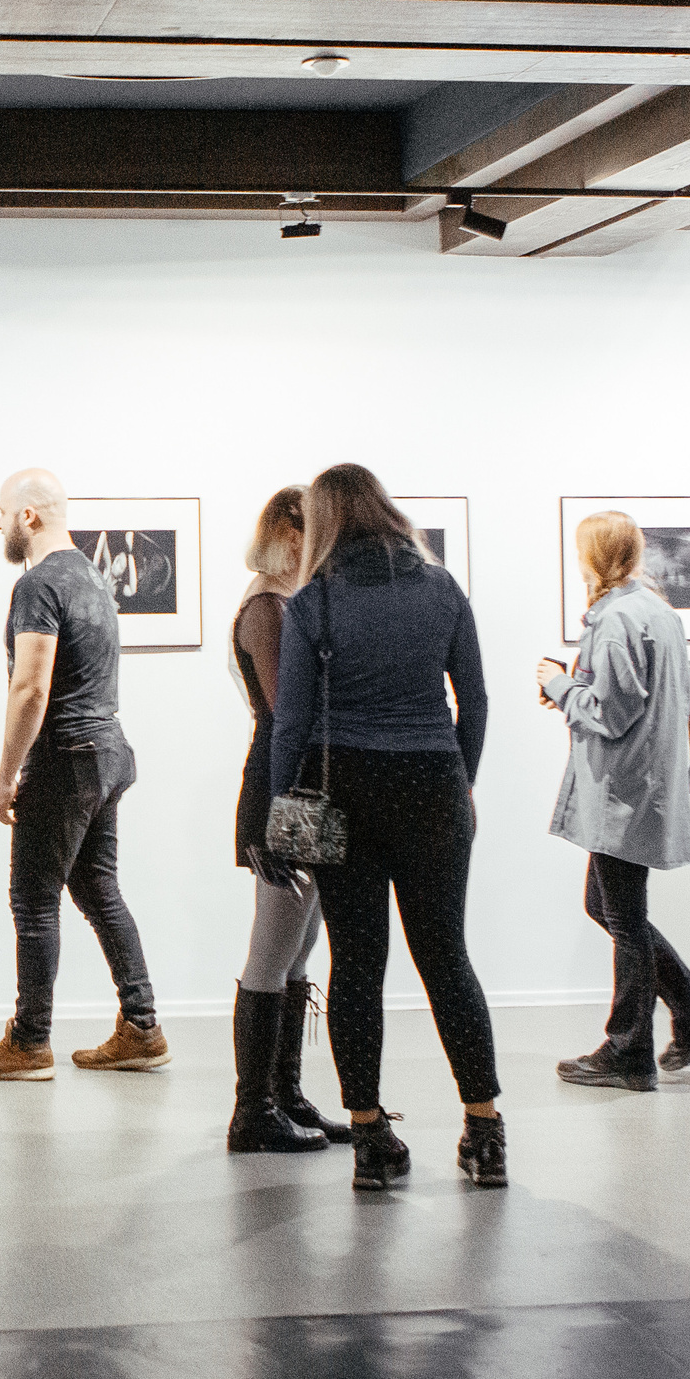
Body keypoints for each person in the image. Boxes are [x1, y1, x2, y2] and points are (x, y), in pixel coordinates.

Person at [270, 463, 503, 1191]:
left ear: (326, 522)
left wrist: (281, 805)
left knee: (356, 962)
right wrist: (462, 778)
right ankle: (485, 1131)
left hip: (346, 788)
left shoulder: (314, 601)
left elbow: (290, 724)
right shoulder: (442, 589)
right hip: (432, 783)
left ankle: (370, 1138)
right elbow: (476, 698)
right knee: (446, 957)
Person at [0, 468, 169, 1081]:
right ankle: (143, 1026)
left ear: (28, 516)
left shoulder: (39, 583)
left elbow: (30, 687)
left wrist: (6, 776)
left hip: (66, 757)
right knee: (100, 891)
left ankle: (30, 1042)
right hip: (107, 752)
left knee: (33, 899)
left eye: (2, 511)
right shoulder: (94, 579)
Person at [535, 511, 690, 1090]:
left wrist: (558, 685)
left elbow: (611, 712)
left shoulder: (618, 618)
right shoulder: (655, 610)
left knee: (622, 918)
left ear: (592, 557)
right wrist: (576, 689)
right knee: (607, 908)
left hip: (622, 790)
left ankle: (630, 1051)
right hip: (641, 783)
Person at [225, 487, 342, 1153]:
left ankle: (285, 1095)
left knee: (298, 950)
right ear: (291, 532)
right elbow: (288, 711)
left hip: (305, 792)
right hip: (285, 795)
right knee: (272, 953)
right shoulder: (267, 607)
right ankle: (254, 1112)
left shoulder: (289, 602)